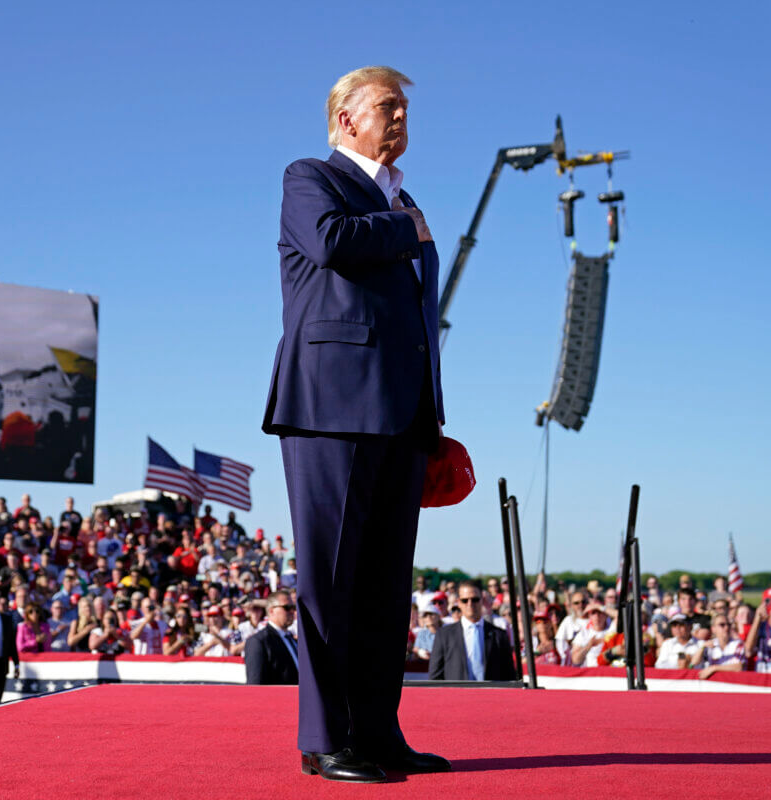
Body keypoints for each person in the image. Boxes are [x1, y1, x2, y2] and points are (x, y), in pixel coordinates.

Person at [261, 65, 446, 782]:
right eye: (386, 107)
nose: (400, 118)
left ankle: (377, 734)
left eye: (405, 109)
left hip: (401, 414)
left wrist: (432, 415)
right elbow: (333, 243)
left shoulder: (405, 201)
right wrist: (406, 227)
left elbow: (421, 325)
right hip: (330, 406)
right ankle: (325, 741)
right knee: (330, 582)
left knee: (382, 589)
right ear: (346, 119)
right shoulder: (310, 177)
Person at [428, 581, 516, 681]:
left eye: (475, 599)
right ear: (458, 602)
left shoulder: (499, 635)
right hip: (455, 695)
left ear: (482, 601)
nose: (470, 604)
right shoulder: (444, 635)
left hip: (490, 695)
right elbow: (435, 678)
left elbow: (509, 676)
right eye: (465, 600)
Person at [244, 591, 300, 685]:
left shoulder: (291, 639)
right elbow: (255, 685)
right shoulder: (259, 641)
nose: (292, 612)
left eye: (293, 608)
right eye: (287, 608)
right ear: (271, 611)